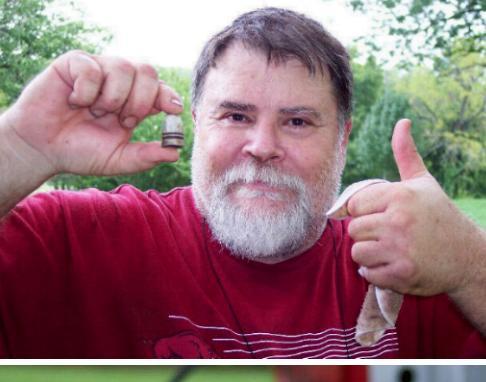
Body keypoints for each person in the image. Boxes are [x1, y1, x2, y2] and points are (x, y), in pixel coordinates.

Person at [0, 7, 485, 359]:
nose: (261, 145)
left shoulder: (408, 263)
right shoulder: (83, 241)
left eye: (297, 122)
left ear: (342, 139)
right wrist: (18, 148)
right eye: (235, 115)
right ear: (195, 122)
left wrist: (468, 263)